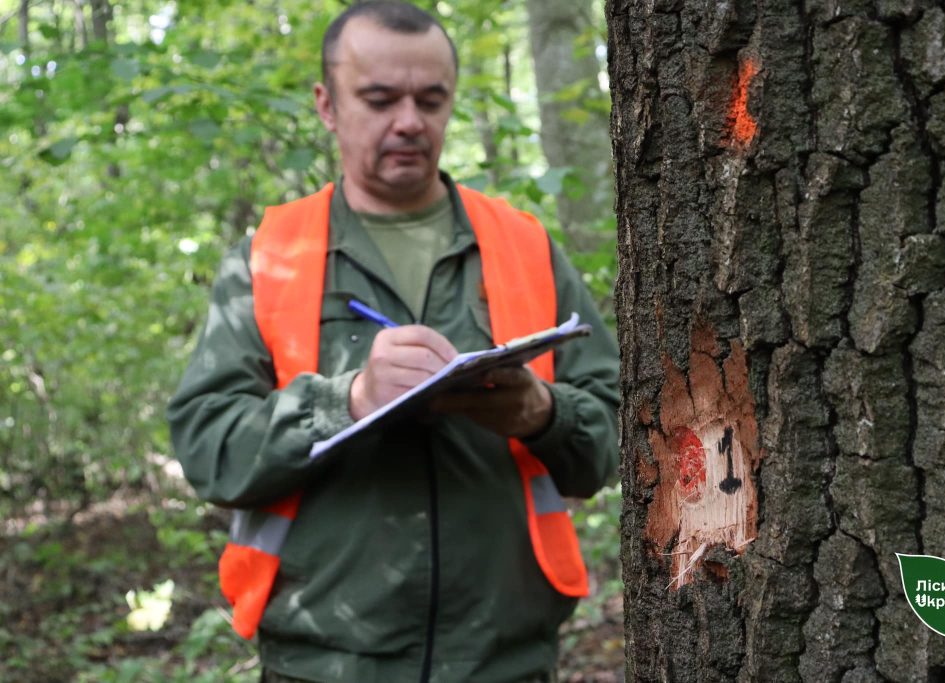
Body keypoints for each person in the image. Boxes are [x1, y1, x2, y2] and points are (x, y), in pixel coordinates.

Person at [167, 2, 619, 682]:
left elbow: (621, 430)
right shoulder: (269, 257)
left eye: (430, 100)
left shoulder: (522, 245)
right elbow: (208, 447)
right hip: (321, 661)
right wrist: (347, 399)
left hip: (505, 659)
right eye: (379, 99)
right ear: (327, 104)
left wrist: (541, 412)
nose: (409, 120)